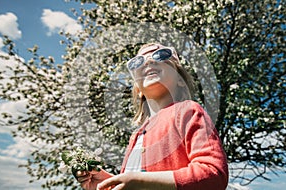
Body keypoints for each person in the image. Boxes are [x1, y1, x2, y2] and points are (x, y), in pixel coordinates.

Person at [76, 43, 229, 190]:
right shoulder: (136, 135)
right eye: (138, 62)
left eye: (161, 55)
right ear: (138, 90)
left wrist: (140, 181)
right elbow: (134, 182)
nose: (148, 61)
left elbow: (213, 173)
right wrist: (108, 184)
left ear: (181, 81)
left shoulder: (188, 111)